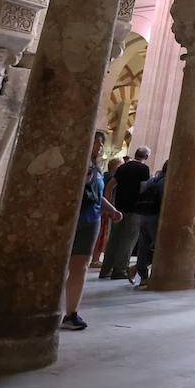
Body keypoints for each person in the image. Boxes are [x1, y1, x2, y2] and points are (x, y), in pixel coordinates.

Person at [63, 133, 122, 330]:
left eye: (101, 143)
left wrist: (111, 210)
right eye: (97, 141)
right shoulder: (72, 162)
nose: (100, 146)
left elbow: (95, 195)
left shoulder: (96, 170)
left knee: (81, 267)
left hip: (91, 220)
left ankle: (72, 313)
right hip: (70, 219)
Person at [99, 146, 150, 280]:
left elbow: (111, 184)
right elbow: (143, 188)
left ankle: (105, 269)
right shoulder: (143, 169)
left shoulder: (123, 167)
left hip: (119, 207)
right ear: (146, 157)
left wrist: (109, 203)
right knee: (129, 239)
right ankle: (120, 270)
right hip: (134, 209)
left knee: (114, 238)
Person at [132, 160, 167, 287]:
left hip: (145, 216)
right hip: (157, 218)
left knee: (143, 247)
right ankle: (157, 277)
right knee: (159, 248)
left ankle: (143, 277)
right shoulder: (166, 182)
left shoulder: (153, 180)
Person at [91, 155, 124, 267]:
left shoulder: (104, 175)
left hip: (100, 207)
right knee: (102, 233)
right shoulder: (113, 177)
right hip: (104, 208)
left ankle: (95, 258)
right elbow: (108, 191)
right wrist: (110, 207)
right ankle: (95, 259)